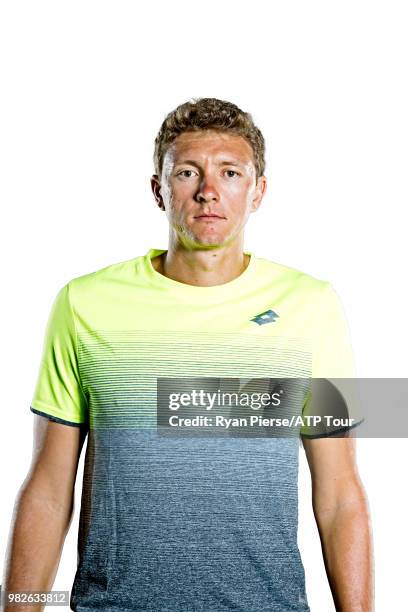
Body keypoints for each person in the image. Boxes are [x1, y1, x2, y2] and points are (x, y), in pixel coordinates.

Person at [1, 98, 374, 611]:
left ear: (258, 191)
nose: (208, 192)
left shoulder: (314, 306)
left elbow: (340, 496)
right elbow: (48, 487)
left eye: (231, 173)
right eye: (187, 172)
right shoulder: (83, 304)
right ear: (159, 189)